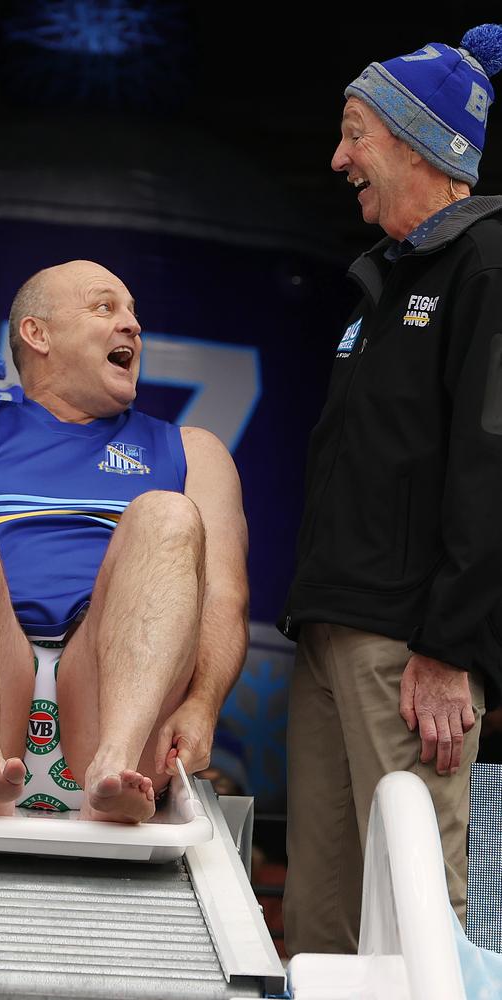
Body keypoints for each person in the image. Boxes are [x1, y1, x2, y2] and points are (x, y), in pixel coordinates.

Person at [0, 259, 249, 823]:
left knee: (166, 513)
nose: (132, 325)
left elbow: (223, 599)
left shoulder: (194, 452)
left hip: (127, 724)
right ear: (37, 334)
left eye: (135, 313)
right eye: (105, 307)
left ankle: (111, 765)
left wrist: (204, 705)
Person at [278, 24, 502, 955]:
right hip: (331, 634)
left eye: (355, 133)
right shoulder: (389, 280)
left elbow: (492, 464)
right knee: (320, 930)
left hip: (411, 654)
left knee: (413, 925)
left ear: (417, 142)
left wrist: (452, 646)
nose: (339, 159)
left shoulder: (488, 267)